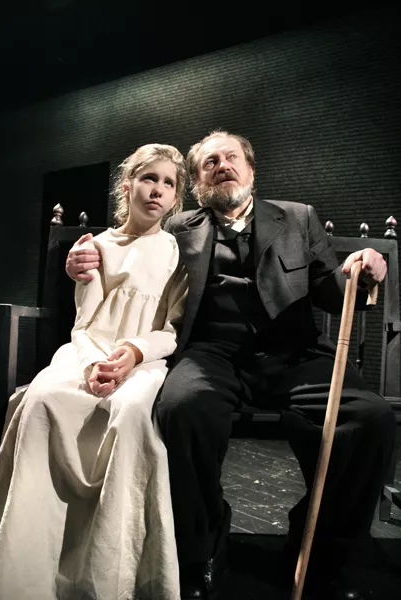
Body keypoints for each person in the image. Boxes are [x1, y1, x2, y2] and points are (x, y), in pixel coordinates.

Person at [66, 130, 395, 600]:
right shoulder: (178, 227)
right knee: (183, 409)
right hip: (211, 354)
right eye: (210, 162)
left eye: (231, 157)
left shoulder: (297, 218)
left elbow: (332, 291)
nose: (223, 165)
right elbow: (130, 249)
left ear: (251, 169)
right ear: (198, 183)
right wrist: (84, 258)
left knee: (370, 419)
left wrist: (366, 275)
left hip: (296, 353)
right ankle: (202, 548)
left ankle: (325, 549)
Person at [0, 143, 189, 600]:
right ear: (127, 186)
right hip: (88, 351)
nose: (157, 190)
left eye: (168, 183)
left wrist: (134, 352)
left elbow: (173, 327)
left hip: (145, 359)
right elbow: (86, 323)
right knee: (40, 400)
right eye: (148, 178)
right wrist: (95, 363)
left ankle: (110, 572)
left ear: (177, 197)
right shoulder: (96, 247)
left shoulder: (179, 252)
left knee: (130, 412)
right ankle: (26, 564)